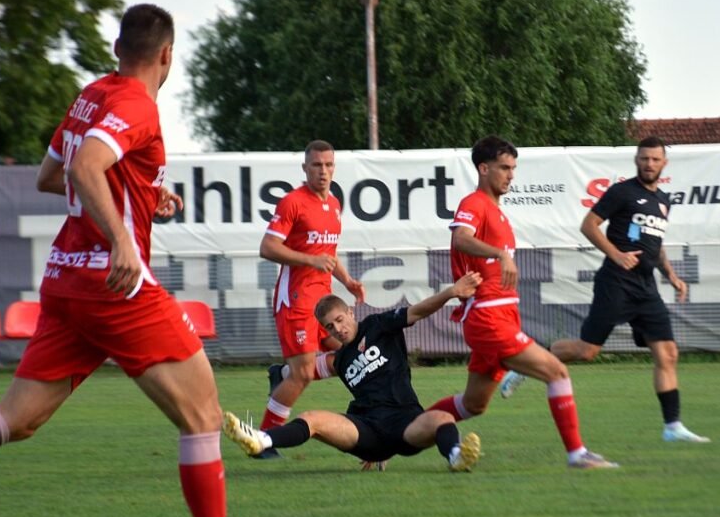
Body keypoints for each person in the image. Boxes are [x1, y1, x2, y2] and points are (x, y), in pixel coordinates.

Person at [0, 4, 293, 517]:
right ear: (167, 55)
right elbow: (85, 167)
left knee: (15, 419)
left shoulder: (91, 95)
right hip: (115, 284)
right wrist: (123, 237)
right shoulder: (136, 104)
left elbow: (52, 176)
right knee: (203, 416)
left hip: (66, 281)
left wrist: (141, 195)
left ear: (117, 48)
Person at [499, 136, 710, 443]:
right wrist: (616, 254)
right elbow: (589, 225)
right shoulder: (622, 192)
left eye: (655, 159)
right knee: (587, 351)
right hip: (616, 283)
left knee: (668, 353)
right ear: (636, 160)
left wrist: (672, 275)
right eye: (644, 158)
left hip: (646, 288)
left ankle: (672, 427)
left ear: (664, 163)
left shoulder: (664, 200)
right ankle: (526, 364)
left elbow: (656, 243)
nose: (649, 164)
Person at [424, 136, 618, 469]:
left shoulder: (496, 211)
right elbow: (461, 238)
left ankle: (397, 434)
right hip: (488, 317)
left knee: (473, 404)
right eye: (504, 167)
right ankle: (577, 454)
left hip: (501, 316)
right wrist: (500, 254)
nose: (511, 175)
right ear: (483, 169)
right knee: (557, 371)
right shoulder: (475, 203)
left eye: (513, 168)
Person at [223, 273, 484, 472]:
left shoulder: (379, 325)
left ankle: (456, 457)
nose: (337, 329)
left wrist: (451, 292)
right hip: (367, 430)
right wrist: (281, 373)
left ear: (350, 312)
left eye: (339, 320)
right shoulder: (339, 360)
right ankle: (260, 439)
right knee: (312, 418)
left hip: (405, 423)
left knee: (441, 417)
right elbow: (307, 370)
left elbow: (418, 310)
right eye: (329, 327)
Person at [257, 141, 365, 432]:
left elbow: (327, 253)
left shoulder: (334, 205)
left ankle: (283, 375)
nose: (323, 171)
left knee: (352, 355)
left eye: (328, 165)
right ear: (305, 168)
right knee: (303, 374)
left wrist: (348, 281)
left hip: (322, 300)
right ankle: (266, 437)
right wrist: (310, 260)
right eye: (317, 165)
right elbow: (267, 247)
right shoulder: (293, 202)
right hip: (296, 299)